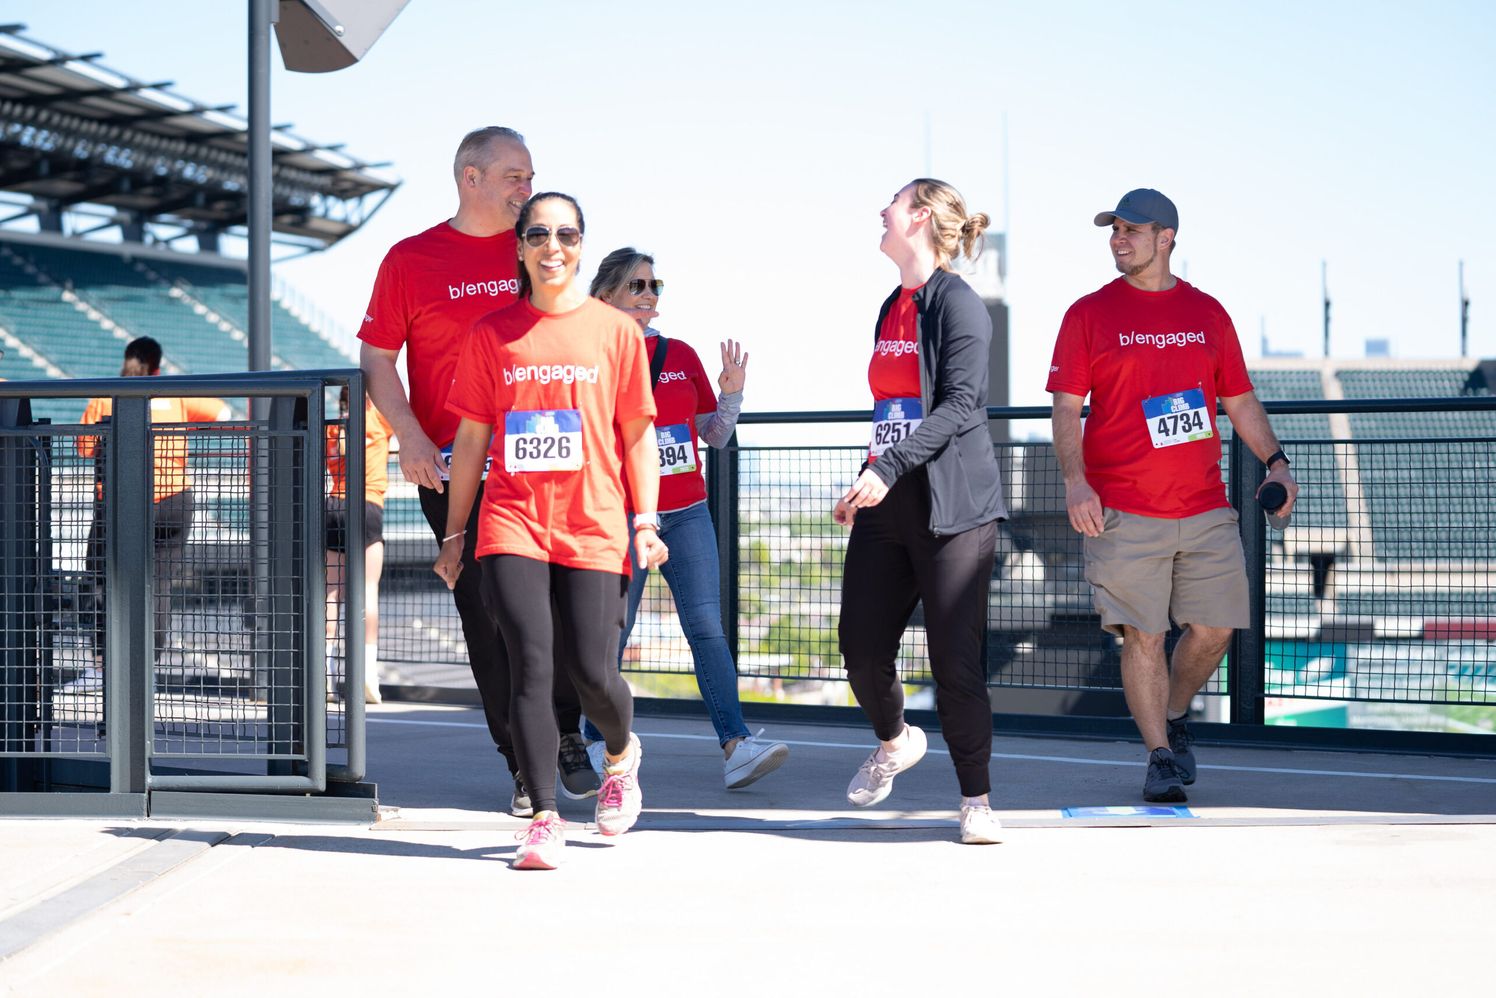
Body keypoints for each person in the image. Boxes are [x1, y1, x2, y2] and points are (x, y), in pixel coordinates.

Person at [357, 126, 594, 815]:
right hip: (455, 470)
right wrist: (409, 437)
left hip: (549, 463)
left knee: (563, 614)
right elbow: (377, 358)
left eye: (530, 177)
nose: (528, 190)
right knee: (488, 615)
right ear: (472, 178)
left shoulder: (541, 247)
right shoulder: (411, 258)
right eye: (515, 177)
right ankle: (522, 760)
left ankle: (567, 732)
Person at [436, 192, 667, 870]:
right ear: (520, 246)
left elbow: (638, 437)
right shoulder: (492, 333)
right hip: (511, 520)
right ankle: (542, 817)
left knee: (591, 674)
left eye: (566, 234)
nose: (552, 245)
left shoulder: (615, 333)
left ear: (581, 243)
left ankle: (620, 757)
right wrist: (456, 535)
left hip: (594, 523)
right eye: (538, 233)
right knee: (529, 667)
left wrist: (646, 519)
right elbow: (473, 441)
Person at [1047, 188, 1299, 803]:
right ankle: (1160, 755)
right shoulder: (1087, 313)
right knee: (1144, 634)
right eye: (1114, 229)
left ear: (1168, 238)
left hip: (1205, 504)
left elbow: (1237, 398)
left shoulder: (1208, 313)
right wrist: (1076, 482)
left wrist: (1278, 461)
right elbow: (1066, 406)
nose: (1118, 239)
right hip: (1123, 509)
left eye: (1132, 229)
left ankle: (1176, 713)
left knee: (1215, 629)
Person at [833, 179, 1008, 845]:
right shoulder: (890, 306)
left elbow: (959, 406)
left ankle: (976, 799)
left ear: (921, 219)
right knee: (859, 646)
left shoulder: (958, 305)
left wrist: (889, 468)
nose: (880, 210)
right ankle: (896, 739)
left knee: (954, 661)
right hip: (889, 495)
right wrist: (866, 478)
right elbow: (892, 411)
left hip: (955, 508)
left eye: (893, 203)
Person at [585, 247, 790, 789]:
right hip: (624, 515)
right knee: (613, 634)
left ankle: (737, 745)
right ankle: (591, 745)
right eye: (637, 286)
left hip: (687, 512)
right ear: (605, 296)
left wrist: (733, 394)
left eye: (655, 286)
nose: (650, 295)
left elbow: (715, 436)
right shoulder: (590, 357)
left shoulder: (681, 355)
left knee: (706, 628)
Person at [76, 336, 232, 681]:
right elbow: (223, 412)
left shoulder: (106, 395)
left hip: (120, 500)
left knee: (101, 579)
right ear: (158, 365)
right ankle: (146, 664)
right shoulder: (173, 393)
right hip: (175, 501)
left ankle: (102, 665)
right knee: (158, 584)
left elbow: (85, 447)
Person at [325, 385, 395, 705]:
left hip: (334, 506)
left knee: (330, 592)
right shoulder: (378, 418)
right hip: (367, 505)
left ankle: (323, 673)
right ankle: (366, 673)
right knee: (367, 590)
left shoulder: (332, 427)